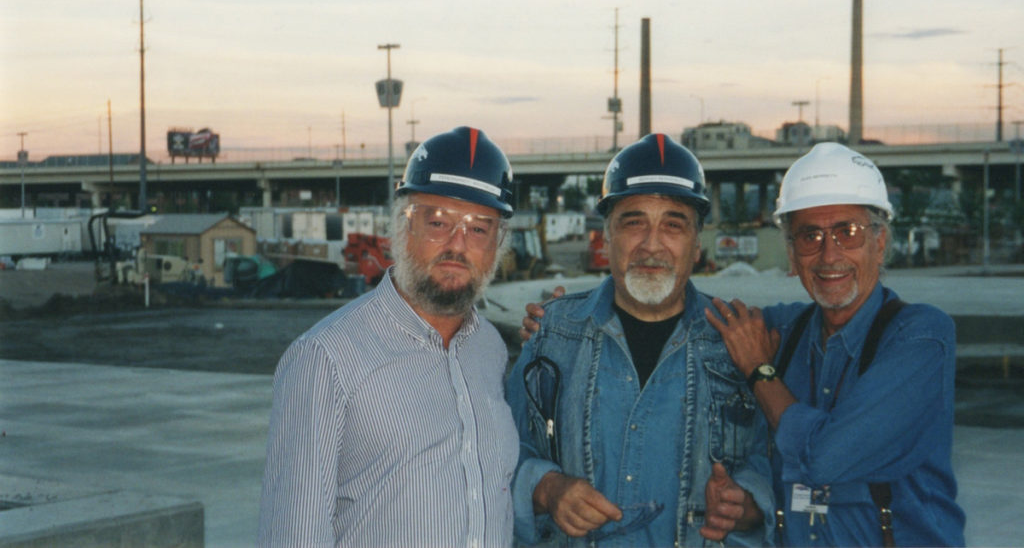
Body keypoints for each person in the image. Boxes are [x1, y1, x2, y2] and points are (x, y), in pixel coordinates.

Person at [505, 133, 774, 547]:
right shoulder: (552, 335)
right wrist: (546, 488)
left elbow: (771, 459)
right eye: (634, 222)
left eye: (673, 224)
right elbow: (499, 452)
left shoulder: (736, 344)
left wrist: (750, 505)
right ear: (607, 236)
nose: (652, 244)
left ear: (696, 244)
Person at [258, 126, 520, 547]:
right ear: (402, 226)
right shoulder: (326, 358)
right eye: (437, 222)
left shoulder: (489, 349)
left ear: (499, 242)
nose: (457, 244)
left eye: (478, 228)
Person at [704, 142, 966, 546]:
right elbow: (695, 325)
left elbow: (826, 458)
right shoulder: (788, 331)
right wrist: (571, 316)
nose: (830, 255)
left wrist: (762, 372)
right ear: (792, 255)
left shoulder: (919, 337)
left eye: (848, 232)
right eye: (810, 236)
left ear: (880, 244)